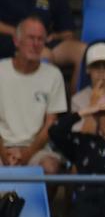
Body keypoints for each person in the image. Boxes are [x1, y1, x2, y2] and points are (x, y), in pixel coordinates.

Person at [0, 17, 65, 173]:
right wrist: (3, 153)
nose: (36, 44)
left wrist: (26, 154)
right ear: (16, 41)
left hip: (37, 148)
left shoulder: (53, 75)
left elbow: (50, 123)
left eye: (40, 39)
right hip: (2, 146)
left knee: (50, 167)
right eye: (30, 38)